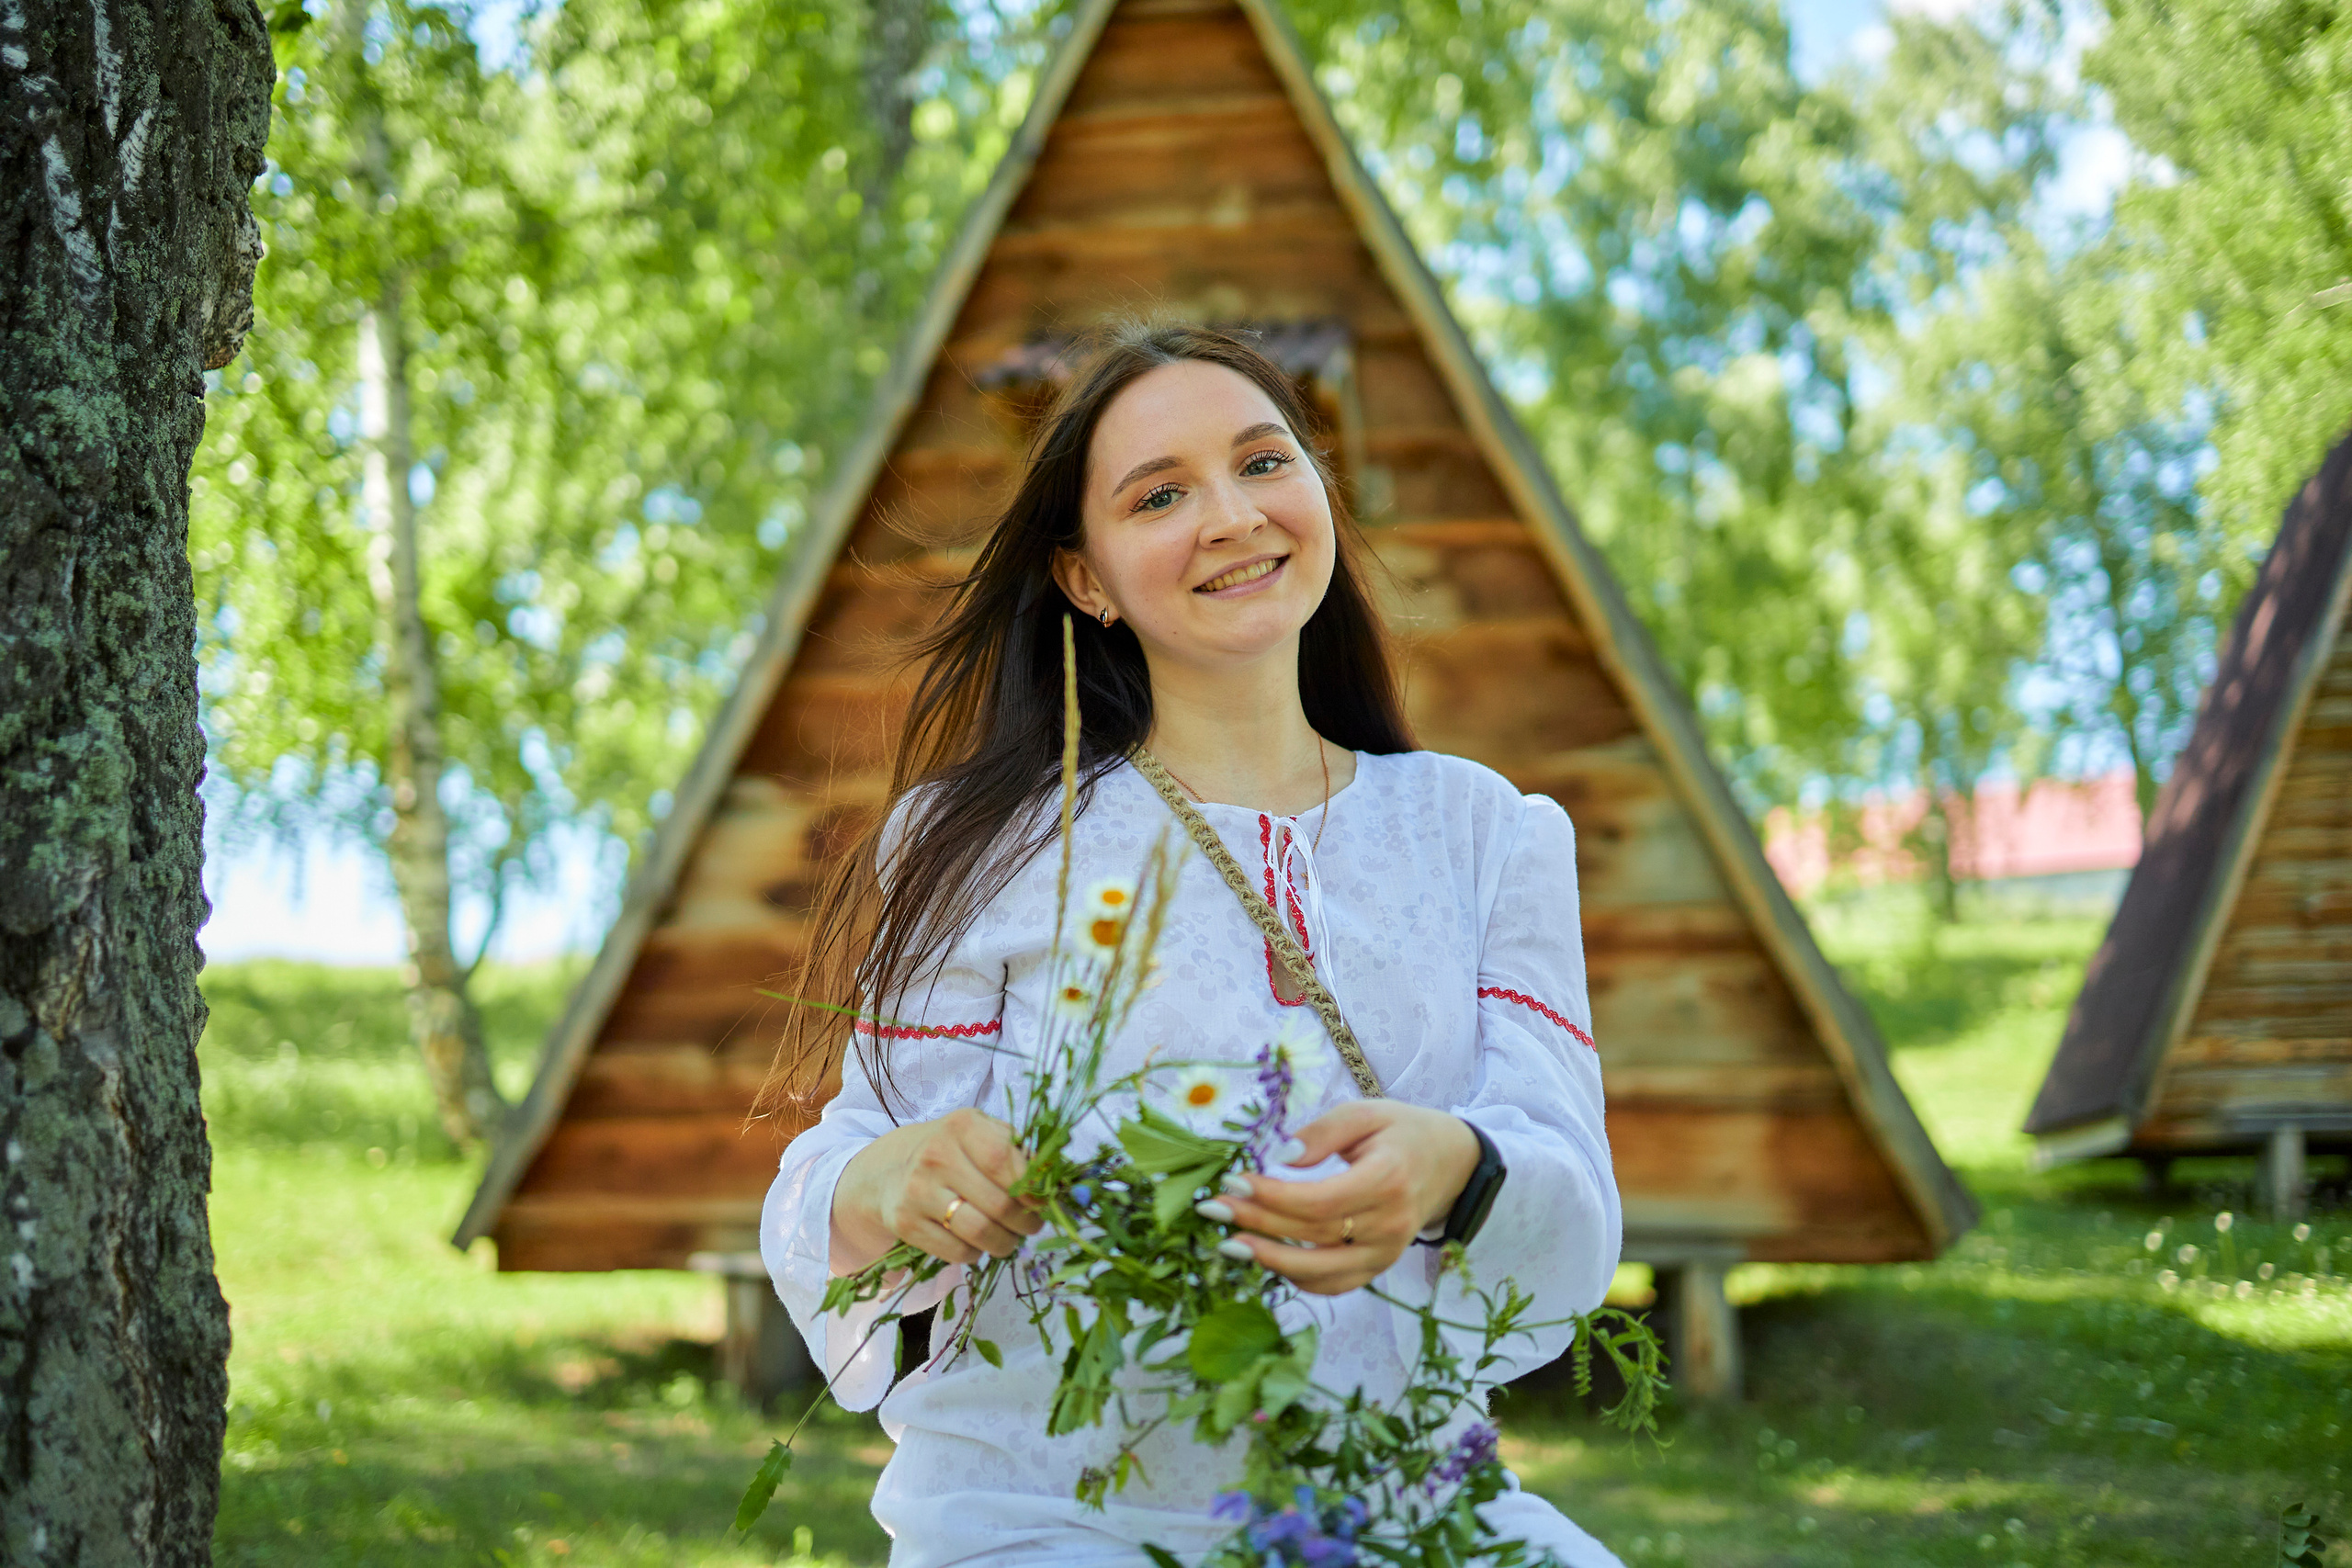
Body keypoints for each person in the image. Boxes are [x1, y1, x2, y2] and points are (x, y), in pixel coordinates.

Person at [757, 322, 1623, 1568]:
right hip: (1049, 1518)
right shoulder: (978, 841)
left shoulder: (1485, 833)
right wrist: (888, 1182)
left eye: (1265, 464)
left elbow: (1573, 1196)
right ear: (1086, 578)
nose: (1230, 515)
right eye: (1160, 494)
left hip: (1396, 1504)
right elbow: (839, 1169)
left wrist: (1460, 1169)